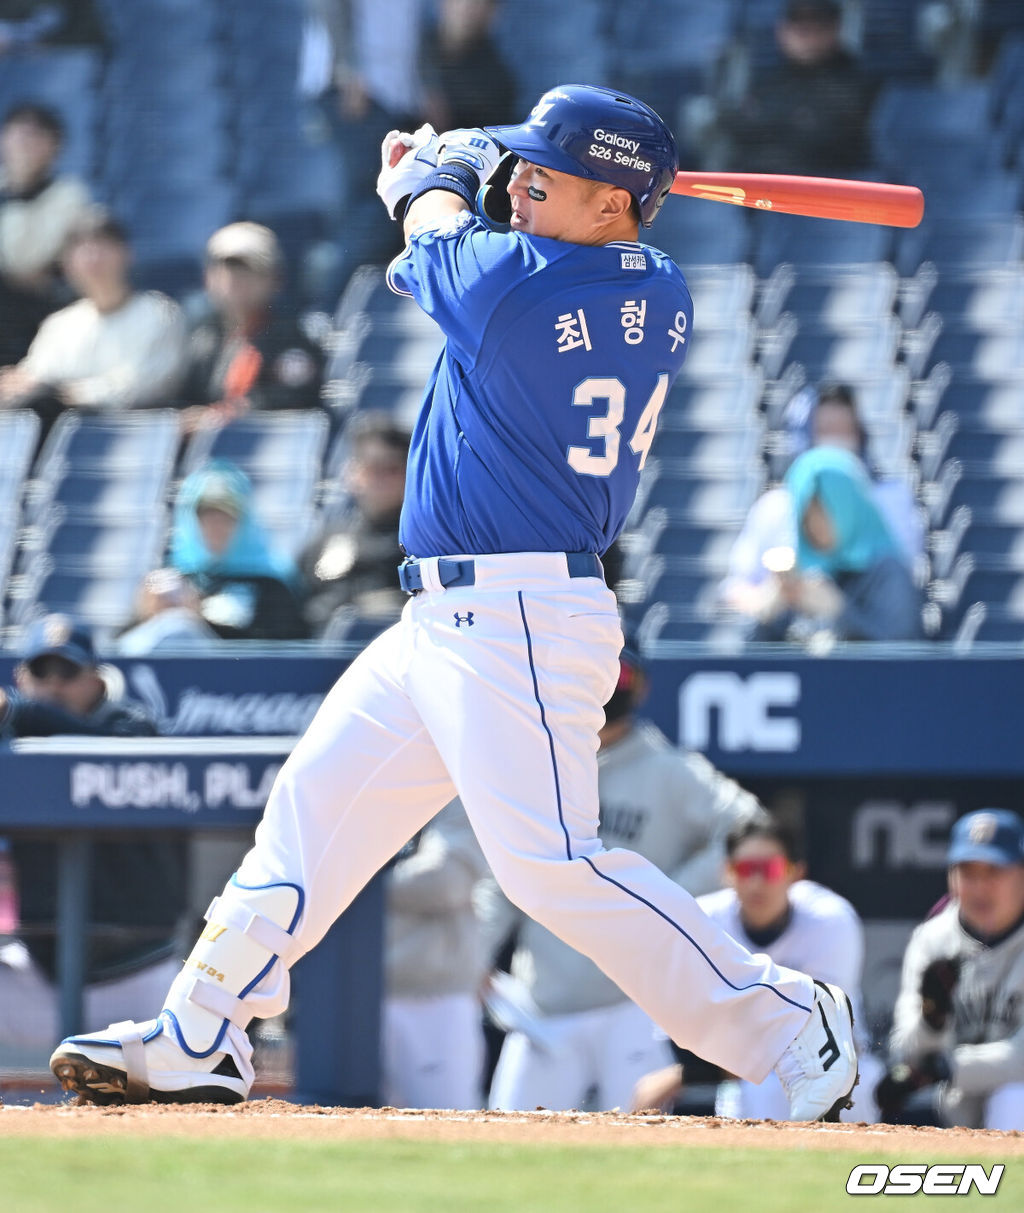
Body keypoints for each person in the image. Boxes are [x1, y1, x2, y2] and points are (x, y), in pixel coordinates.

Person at [49, 83, 857, 1123]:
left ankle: (789, 1024)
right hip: (443, 616)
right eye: (520, 168)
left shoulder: (523, 289)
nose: (520, 185)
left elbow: (432, 222)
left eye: (546, 173)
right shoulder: (647, 280)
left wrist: (437, 166)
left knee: (552, 866)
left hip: (520, 611)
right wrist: (468, 163)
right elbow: (461, 232)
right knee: (309, 815)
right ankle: (202, 1031)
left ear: (613, 201)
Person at [480, 650, 768, 1112]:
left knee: (644, 1156)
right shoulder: (542, 763)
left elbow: (751, 826)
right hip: (545, 1002)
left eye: (621, 672)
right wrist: (476, 953)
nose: (609, 684)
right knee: (504, 1142)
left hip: (632, 1004)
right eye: (598, 670)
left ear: (642, 686)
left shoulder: (670, 769)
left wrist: (666, 895)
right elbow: (502, 869)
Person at [0, 615, 188, 1053]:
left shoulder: (133, 728)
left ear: (96, 679)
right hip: (43, 979)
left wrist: (16, 710)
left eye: (67, 672)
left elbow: (88, 744)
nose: (54, 685)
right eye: (41, 672)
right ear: (20, 676)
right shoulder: (14, 746)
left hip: (141, 977)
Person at [632, 818, 880, 1123]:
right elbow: (684, 1022)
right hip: (744, 1074)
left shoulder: (830, 920)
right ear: (728, 873)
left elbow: (817, 1030)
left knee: (854, 1084)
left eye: (770, 869)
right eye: (746, 870)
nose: (756, 883)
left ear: (795, 873)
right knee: (755, 1088)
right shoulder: (705, 920)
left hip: (836, 1064)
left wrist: (689, 1075)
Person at [720, 383, 923, 623]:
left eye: (846, 431)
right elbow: (738, 588)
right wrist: (772, 602)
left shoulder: (891, 499)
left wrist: (840, 613)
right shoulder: (774, 506)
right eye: (826, 430)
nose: (836, 442)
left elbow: (900, 622)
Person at [877, 809, 1024, 1130]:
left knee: (1014, 1097)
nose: (980, 887)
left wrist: (946, 1065)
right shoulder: (933, 939)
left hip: (1010, 1093)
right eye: (968, 873)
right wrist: (932, 1021)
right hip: (954, 1102)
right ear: (951, 878)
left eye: (994, 872)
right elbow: (903, 1048)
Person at [0, 207, 187, 438]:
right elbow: (34, 379)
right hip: (55, 438)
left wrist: (65, 393)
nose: (92, 257)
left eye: (102, 245)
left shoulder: (159, 313)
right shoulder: (60, 324)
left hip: (127, 437)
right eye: (81, 248)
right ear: (67, 264)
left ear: (127, 253)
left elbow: (143, 388)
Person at [753, 446, 923, 644]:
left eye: (825, 511)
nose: (815, 526)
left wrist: (839, 612)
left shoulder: (888, 573)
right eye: (807, 515)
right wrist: (769, 614)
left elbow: (904, 657)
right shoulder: (802, 574)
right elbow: (749, 663)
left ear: (849, 507)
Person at [383, 799, 490, 1110]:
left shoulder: (457, 790)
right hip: (357, 993)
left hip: (434, 997)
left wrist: (357, 886)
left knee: (446, 1124)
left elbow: (446, 881)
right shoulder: (358, 785)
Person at [176, 222, 325, 436]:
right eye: (225, 269)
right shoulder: (202, 337)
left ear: (275, 279)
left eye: (248, 270)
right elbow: (185, 399)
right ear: (208, 278)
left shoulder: (292, 340)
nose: (233, 280)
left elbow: (294, 401)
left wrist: (223, 417)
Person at [710, 0, 874, 177]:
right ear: (782, 30)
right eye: (799, 26)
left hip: (826, 186)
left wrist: (769, 122)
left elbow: (824, 139)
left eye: (817, 25)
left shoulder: (858, 81)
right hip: (759, 187)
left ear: (836, 27)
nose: (806, 35)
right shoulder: (769, 81)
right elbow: (739, 128)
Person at [168, 461, 308, 641]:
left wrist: (200, 620)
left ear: (245, 523)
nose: (215, 528)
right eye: (206, 518)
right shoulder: (177, 580)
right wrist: (147, 614)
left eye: (226, 518)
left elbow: (282, 648)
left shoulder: (270, 584)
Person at [300, 411, 411, 637]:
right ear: (353, 473)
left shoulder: (421, 541)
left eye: (391, 470)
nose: (381, 479)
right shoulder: (331, 538)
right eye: (372, 468)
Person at [0, 102, 91, 366]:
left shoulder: (69, 195)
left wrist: (20, 189)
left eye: (35, 134)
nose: (24, 142)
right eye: (17, 132)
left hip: (45, 304)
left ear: (55, 146)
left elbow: (29, 259)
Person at [115, 568, 220, 656]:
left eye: (176, 602)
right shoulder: (126, 637)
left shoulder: (224, 633)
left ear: (194, 599)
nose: (172, 617)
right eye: (163, 601)